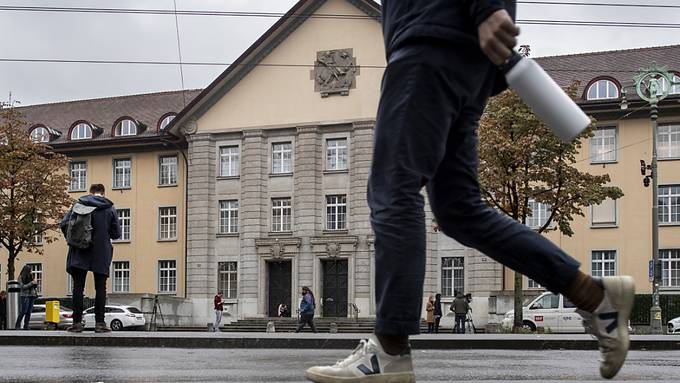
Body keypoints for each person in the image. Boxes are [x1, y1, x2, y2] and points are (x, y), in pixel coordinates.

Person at [305, 1, 635, 381]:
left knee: (394, 188)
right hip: (462, 55)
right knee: (459, 210)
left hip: (430, 38)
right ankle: (594, 296)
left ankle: (389, 351)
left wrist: (484, 7)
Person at [60, 183, 121, 333]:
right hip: (101, 252)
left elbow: (64, 224)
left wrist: (74, 239)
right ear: (103, 193)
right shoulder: (109, 208)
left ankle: (77, 323)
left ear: (91, 192)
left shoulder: (79, 205)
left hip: (80, 250)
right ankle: (100, 323)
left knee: (78, 288)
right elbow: (116, 233)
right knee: (100, 288)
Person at [15, 265, 38, 330]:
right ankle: (17, 325)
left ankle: (26, 325)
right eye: (30, 270)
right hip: (25, 296)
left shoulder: (31, 276)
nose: (31, 271)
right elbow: (22, 287)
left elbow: (34, 286)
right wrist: (31, 283)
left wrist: (35, 283)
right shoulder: (20, 277)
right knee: (23, 311)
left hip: (32, 296)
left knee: (29, 312)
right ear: (27, 271)